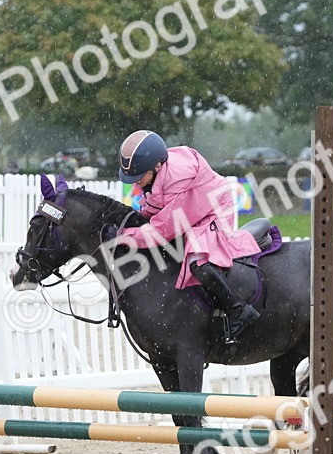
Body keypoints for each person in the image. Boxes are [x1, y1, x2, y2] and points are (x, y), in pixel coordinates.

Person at [105, 129, 260, 343]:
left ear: (157, 167)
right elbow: (153, 207)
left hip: (213, 210)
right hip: (191, 210)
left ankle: (238, 311)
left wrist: (123, 235)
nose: (135, 183)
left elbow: (161, 230)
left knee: (198, 261)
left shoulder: (179, 180)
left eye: (138, 177)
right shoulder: (155, 173)